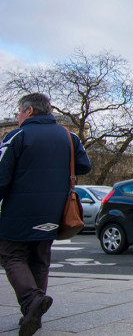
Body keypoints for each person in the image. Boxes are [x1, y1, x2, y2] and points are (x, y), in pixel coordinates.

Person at [0, 93, 92, 336]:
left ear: (29, 111)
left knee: (10, 254)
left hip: (20, 210)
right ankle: (33, 318)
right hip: (54, 209)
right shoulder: (68, 135)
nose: (17, 116)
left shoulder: (17, 136)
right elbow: (85, 165)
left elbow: (1, 175)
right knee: (40, 259)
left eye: (18, 112)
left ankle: (31, 300)